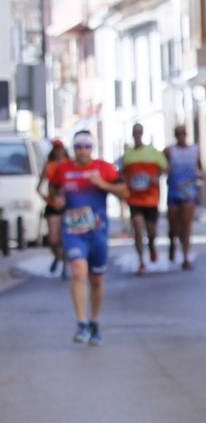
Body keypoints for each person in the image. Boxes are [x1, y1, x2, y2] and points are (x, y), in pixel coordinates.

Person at [48, 131, 128, 345]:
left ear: (92, 148)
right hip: (74, 233)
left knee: (97, 280)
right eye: (78, 146)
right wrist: (57, 201)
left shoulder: (104, 168)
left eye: (86, 146)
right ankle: (81, 322)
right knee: (78, 272)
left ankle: (94, 321)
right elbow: (53, 190)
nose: (82, 150)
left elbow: (125, 192)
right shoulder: (63, 170)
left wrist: (103, 184)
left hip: (98, 234)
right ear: (73, 149)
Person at [122, 123, 168, 275]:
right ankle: (141, 261)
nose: (137, 135)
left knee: (151, 231)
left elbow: (165, 169)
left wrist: (156, 177)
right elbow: (121, 174)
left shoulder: (153, 152)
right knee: (137, 227)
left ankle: (152, 245)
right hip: (134, 199)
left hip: (151, 198)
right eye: (135, 132)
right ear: (132, 134)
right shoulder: (127, 155)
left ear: (143, 133)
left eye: (139, 132)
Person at [164, 124, 203, 270]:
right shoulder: (169, 151)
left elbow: (200, 168)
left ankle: (186, 257)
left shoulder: (195, 150)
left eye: (183, 133)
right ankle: (172, 242)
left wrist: (199, 178)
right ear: (175, 135)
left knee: (186, 225)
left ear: (187, 134)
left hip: (189, 193)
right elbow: (161, 167)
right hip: (173, 192)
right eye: (178, 133)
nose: (181, 136)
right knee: (174, 225)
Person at [37, 140, 67, 278]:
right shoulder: (49, 166)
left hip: (68, 206)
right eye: (56, 149)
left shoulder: (70, 164)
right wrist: (49, 199)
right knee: (53, 239)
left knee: (66, 237)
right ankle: (58, 257)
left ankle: (65, 268)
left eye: (60, 148)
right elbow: (39, 188)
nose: (58, 151)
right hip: (53, 206)